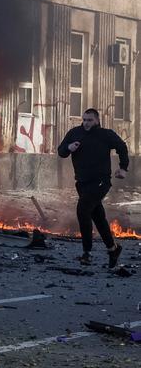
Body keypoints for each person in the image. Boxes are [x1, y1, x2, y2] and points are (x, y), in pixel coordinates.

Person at [58, 108, 127, 268]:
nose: (86, 123)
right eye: (84, 120)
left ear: (97, 120)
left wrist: (123, 168)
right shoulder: (75, 133)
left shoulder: (105, 134)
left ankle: (87, 253)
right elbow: (61, 152)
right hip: (82, 182)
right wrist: (69, 148)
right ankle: (112, 249)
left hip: (100, 181)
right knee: (97, 216)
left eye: (90, 120)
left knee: (82, 210)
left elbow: (122, 147)